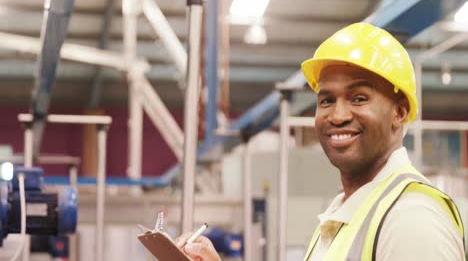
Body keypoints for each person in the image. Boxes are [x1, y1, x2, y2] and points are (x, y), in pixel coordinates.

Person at [175, 23, 465, 260]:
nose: (337, 115)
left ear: (399, 112)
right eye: (326, 100)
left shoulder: (411, 218)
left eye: (358, 98)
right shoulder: (343, 215)